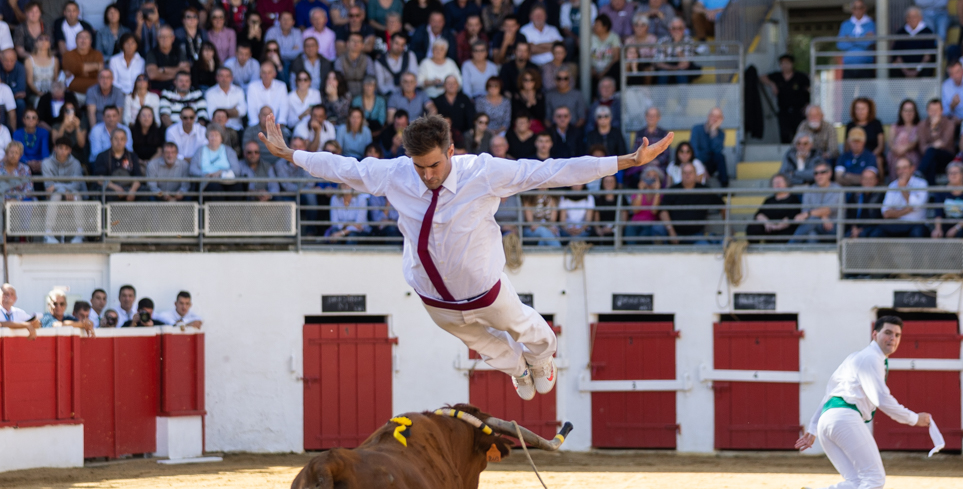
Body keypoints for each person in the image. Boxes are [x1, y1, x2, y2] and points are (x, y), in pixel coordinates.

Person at [258, 110, 672, 398]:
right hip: (434, 301)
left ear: (451, 151)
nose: (427, 175)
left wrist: (628, 161)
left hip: (487, 292)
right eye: (419, 166)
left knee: (533, 333)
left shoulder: (483, 171)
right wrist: (291, 154)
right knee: (493, 352)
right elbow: (343, 167)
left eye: (434, 165)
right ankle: (518, 370)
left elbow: (551, 172)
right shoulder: (397, 174)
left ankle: (542, 360)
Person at [795, 316, 932, 489]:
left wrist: (813, 427)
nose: (893, 338)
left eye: (897, 335)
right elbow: (881, 399)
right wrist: (914, 418)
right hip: (845, 417)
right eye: (888, 332)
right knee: (874, 477)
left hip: (831, 418)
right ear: (875, 334)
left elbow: (830, 392)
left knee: (859, 481)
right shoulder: (871, 358)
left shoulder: (857, 357)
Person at [659, 162, 722, 245]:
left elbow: (722, 205)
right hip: (675, 234)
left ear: (695, 174)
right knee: (658, 229)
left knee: (704, 246)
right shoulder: (673, 190)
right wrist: (671, 231)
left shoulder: (704, 191)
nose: (687, 175)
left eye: (690, 172)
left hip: (697, 236)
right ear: (681, 174)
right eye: (685, 172)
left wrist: (729, 228)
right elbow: (663, 211)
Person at [760, 53, 809, 143]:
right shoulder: (777, 76)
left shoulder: (801, 77)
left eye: (787, 63)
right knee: (784, 135)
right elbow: (762, 77)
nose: (784, 66)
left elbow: (810, 91)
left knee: (799, 135)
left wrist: (807, 106)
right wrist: (772, 84)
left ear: (792, 64)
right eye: (782, 63)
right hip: (784, 111)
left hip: (798, 111)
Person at [879, 156, 928, 237]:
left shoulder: (922, 183)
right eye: (898, 168)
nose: (901, 171)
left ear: (912, 168)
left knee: (917, 233)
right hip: (896, 224)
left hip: (916, 224)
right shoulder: (892, 185)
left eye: (904, 168)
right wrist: (907, 210)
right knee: (877, 232)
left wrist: (903, 189)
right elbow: (886, 213)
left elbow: (916, 206)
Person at [748, 173, 802, 243]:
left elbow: (792, 216)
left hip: (785, 229)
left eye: (780, 181)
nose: (777, 184)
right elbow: (759, 214)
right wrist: (767, 222)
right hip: (770, 228)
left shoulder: (793, 199)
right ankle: (754, 249)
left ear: (786, 183)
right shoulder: (769, 200)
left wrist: (778, 227)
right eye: (775, 182)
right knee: (753, 227)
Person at [93, 127, 140, 201]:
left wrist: (132, 191)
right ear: (111, 140)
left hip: (129, 187)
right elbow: (99, 178)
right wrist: (116, 188)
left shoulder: (132, 156)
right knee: (108, 194)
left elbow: (138, 177)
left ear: (126, 141)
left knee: (144, 192)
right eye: (116, 139)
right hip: (111, 187)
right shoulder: (102, 156)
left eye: (122, 139)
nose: (119, 142)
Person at [915, 98, 955, 180]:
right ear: (927, 111)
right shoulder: (921, 125)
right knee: (932, 158)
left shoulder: (949, 123)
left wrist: (933, 128)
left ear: (942, 111)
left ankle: (920, 172)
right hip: (928, 157)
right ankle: (932, 191)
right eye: (931, 110)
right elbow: (922, 148)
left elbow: (944, 144)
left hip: (946, 156)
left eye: (936, 110)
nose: (934, 113)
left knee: (931, 151)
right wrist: (933, 146)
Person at [891, 6, 935, 79]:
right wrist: (906, 71)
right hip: (904, 68)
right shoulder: (901, 33)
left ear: (920, 18)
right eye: (909, 17)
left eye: (914, 17)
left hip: (921, 67)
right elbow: (896, 55)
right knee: (893, 69)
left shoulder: (927, 32)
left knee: (928, 68)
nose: (912, 19)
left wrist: (917, 70)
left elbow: (928, 56)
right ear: (906, 19)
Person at [689, 106, 728, 188]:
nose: (714, 119)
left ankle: (725, 185)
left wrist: (714, 132)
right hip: (697, 163)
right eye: (713, 116)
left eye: (718, 117)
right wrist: (703, 168)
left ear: (721, 120)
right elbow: (693, 150)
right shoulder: (697, 129)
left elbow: (717, 151)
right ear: (708, 116)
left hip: (710, 164)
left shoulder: (720, 133)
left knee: (721, 157)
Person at [930, 160, 963, 238]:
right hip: (945, 224)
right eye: (950, 173)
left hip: (961, 226)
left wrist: (956, 228)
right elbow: (938, 213)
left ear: (962, 174)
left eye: (955, 173)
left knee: (961, 234)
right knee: (937, 234)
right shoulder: (941, 192)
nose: (953, 175)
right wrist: (938, 229)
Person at [837, 0, 876, 79]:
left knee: (866, 91)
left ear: (865, 9)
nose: (858, 10)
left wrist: (850, 39)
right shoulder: (845, 25)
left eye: (860, 8)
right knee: (848, 91)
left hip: (866, 65)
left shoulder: (871, 24)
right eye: (855, 8)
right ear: (851, 10)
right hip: (849, 65)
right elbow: (840, 44)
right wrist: (863, 39)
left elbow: (870, 42)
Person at [845, 95, 884, 163]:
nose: (860, 112)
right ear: (854, 110)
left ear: (869, 110)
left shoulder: (876, 124)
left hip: (873, 156)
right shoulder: (850, 125)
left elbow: (881, 146)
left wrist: (870, 157)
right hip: (854, 157)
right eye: (858, 109)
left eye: (863, 109)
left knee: (878, 160)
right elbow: (847, 148)